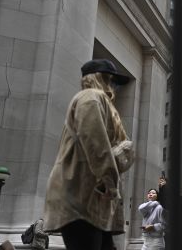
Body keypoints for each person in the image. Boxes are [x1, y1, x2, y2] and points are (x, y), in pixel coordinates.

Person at [43, 59, 134, 250]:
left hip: (91, 198)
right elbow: (96, 145)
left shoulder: (97, 101)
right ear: (98, 78)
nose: (113, 87)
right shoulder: (90, 98)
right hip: (80, 199)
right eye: (110, 80)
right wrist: (111, 184)